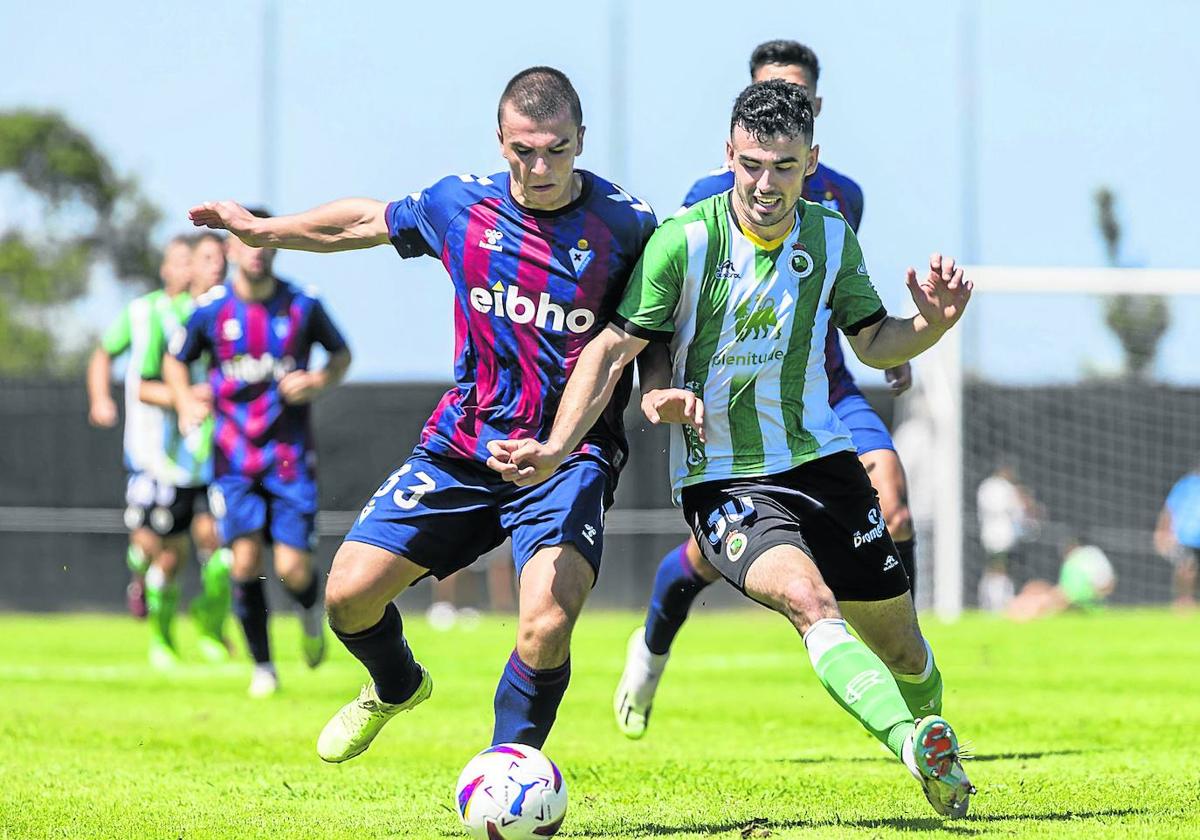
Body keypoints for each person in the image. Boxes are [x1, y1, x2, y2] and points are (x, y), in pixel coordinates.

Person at [488, 81, 975, 818]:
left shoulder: (831, 237)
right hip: (721, 474)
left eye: (783, 166)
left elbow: (874, 340)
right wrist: (564, 443)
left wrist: (929, 327)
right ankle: (912, 747)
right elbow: (617, 345)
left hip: (822, 463)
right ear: (728, 155)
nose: (765, 184)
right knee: (809, 601)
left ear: (812, 161)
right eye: (750, 165)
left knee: (903, 647)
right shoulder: (684, 240)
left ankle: (945, 755)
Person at [187, 67, 656, 756]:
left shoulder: (629, 226)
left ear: (582, 140)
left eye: (557, 149)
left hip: (567, 457)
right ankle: (397, 684)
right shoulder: (458, 205)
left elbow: (649, 335)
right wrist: (263, 231)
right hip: (464, 447)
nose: (541, 166)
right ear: (500, 142)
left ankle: (507, 772)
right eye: (524, 150)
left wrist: (648, 399)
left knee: (545, 624)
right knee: (347, 597)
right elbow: (364, 220)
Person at [616, 40, 923, 739]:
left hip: (826, 390)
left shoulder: (844, 200)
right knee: (716, 558)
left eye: (798, 100)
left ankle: (903, 664)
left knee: (895, 506)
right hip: (728, 407)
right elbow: (657, 326)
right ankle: (654, 644)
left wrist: (902, 346)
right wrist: (660, 389)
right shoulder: (703, 209)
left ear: (814, 118)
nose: (766, 176)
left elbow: (853, 307)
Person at [166, 210, 352, 696]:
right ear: (230, 250)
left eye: (265, 241)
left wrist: (317, 380)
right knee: (244, 562)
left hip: (289, 458)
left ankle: (310, 611)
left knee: (292, 569)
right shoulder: (211, 312)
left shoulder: (303, 306)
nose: (257, 251)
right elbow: (174, 359)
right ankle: (264, 667)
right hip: (232, 460)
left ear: (276, 246)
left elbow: (341, 355)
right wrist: (187, 399)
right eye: (246, 241)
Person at [86, 236, 202, 665]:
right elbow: (105, 354)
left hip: (194, 454)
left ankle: (164, 638)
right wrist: (100, 397)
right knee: (149, 544)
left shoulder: (205, 312)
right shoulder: (142, 313)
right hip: (148, 450)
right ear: (166, 269)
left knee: (175, 548)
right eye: (182, 261)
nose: (190, 269)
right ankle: (142, 578)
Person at [136, 231, 235, 662]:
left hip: (222, 456)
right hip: (175, 460)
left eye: (222, 258)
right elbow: (143, 385)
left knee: (223, 554)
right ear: (190, 266)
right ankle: (161, 639)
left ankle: (210, 625)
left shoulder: (235, 312)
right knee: (169, 558)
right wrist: (185, 398)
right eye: (208, 258)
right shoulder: (166, 316)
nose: (218, 266)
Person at [1006, 538, 1116, 621]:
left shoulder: (1079, 559)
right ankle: (1019, 611)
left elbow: (1105, 583)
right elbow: (1108, 582)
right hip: (1076, 595)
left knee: (1041, 596)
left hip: (1076, 596)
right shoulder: (1088, 555)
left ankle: (1022, 614)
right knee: (1037, 590)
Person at [976, 461, 1040, 601]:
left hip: (994, 536)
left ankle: (994, 600)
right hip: (1001, 537)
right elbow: (1018, 508)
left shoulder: (986, 486)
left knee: (996, 569)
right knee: (1000, 569)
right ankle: (998, 601)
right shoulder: (1001, 487)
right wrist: (1024, 499)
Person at [1154, 466, 1200, 609]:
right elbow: (1170, 508)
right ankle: (1183, 601)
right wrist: (1162, 531)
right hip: (1186, 536)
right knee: (1187, 566)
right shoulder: (1187, 484)